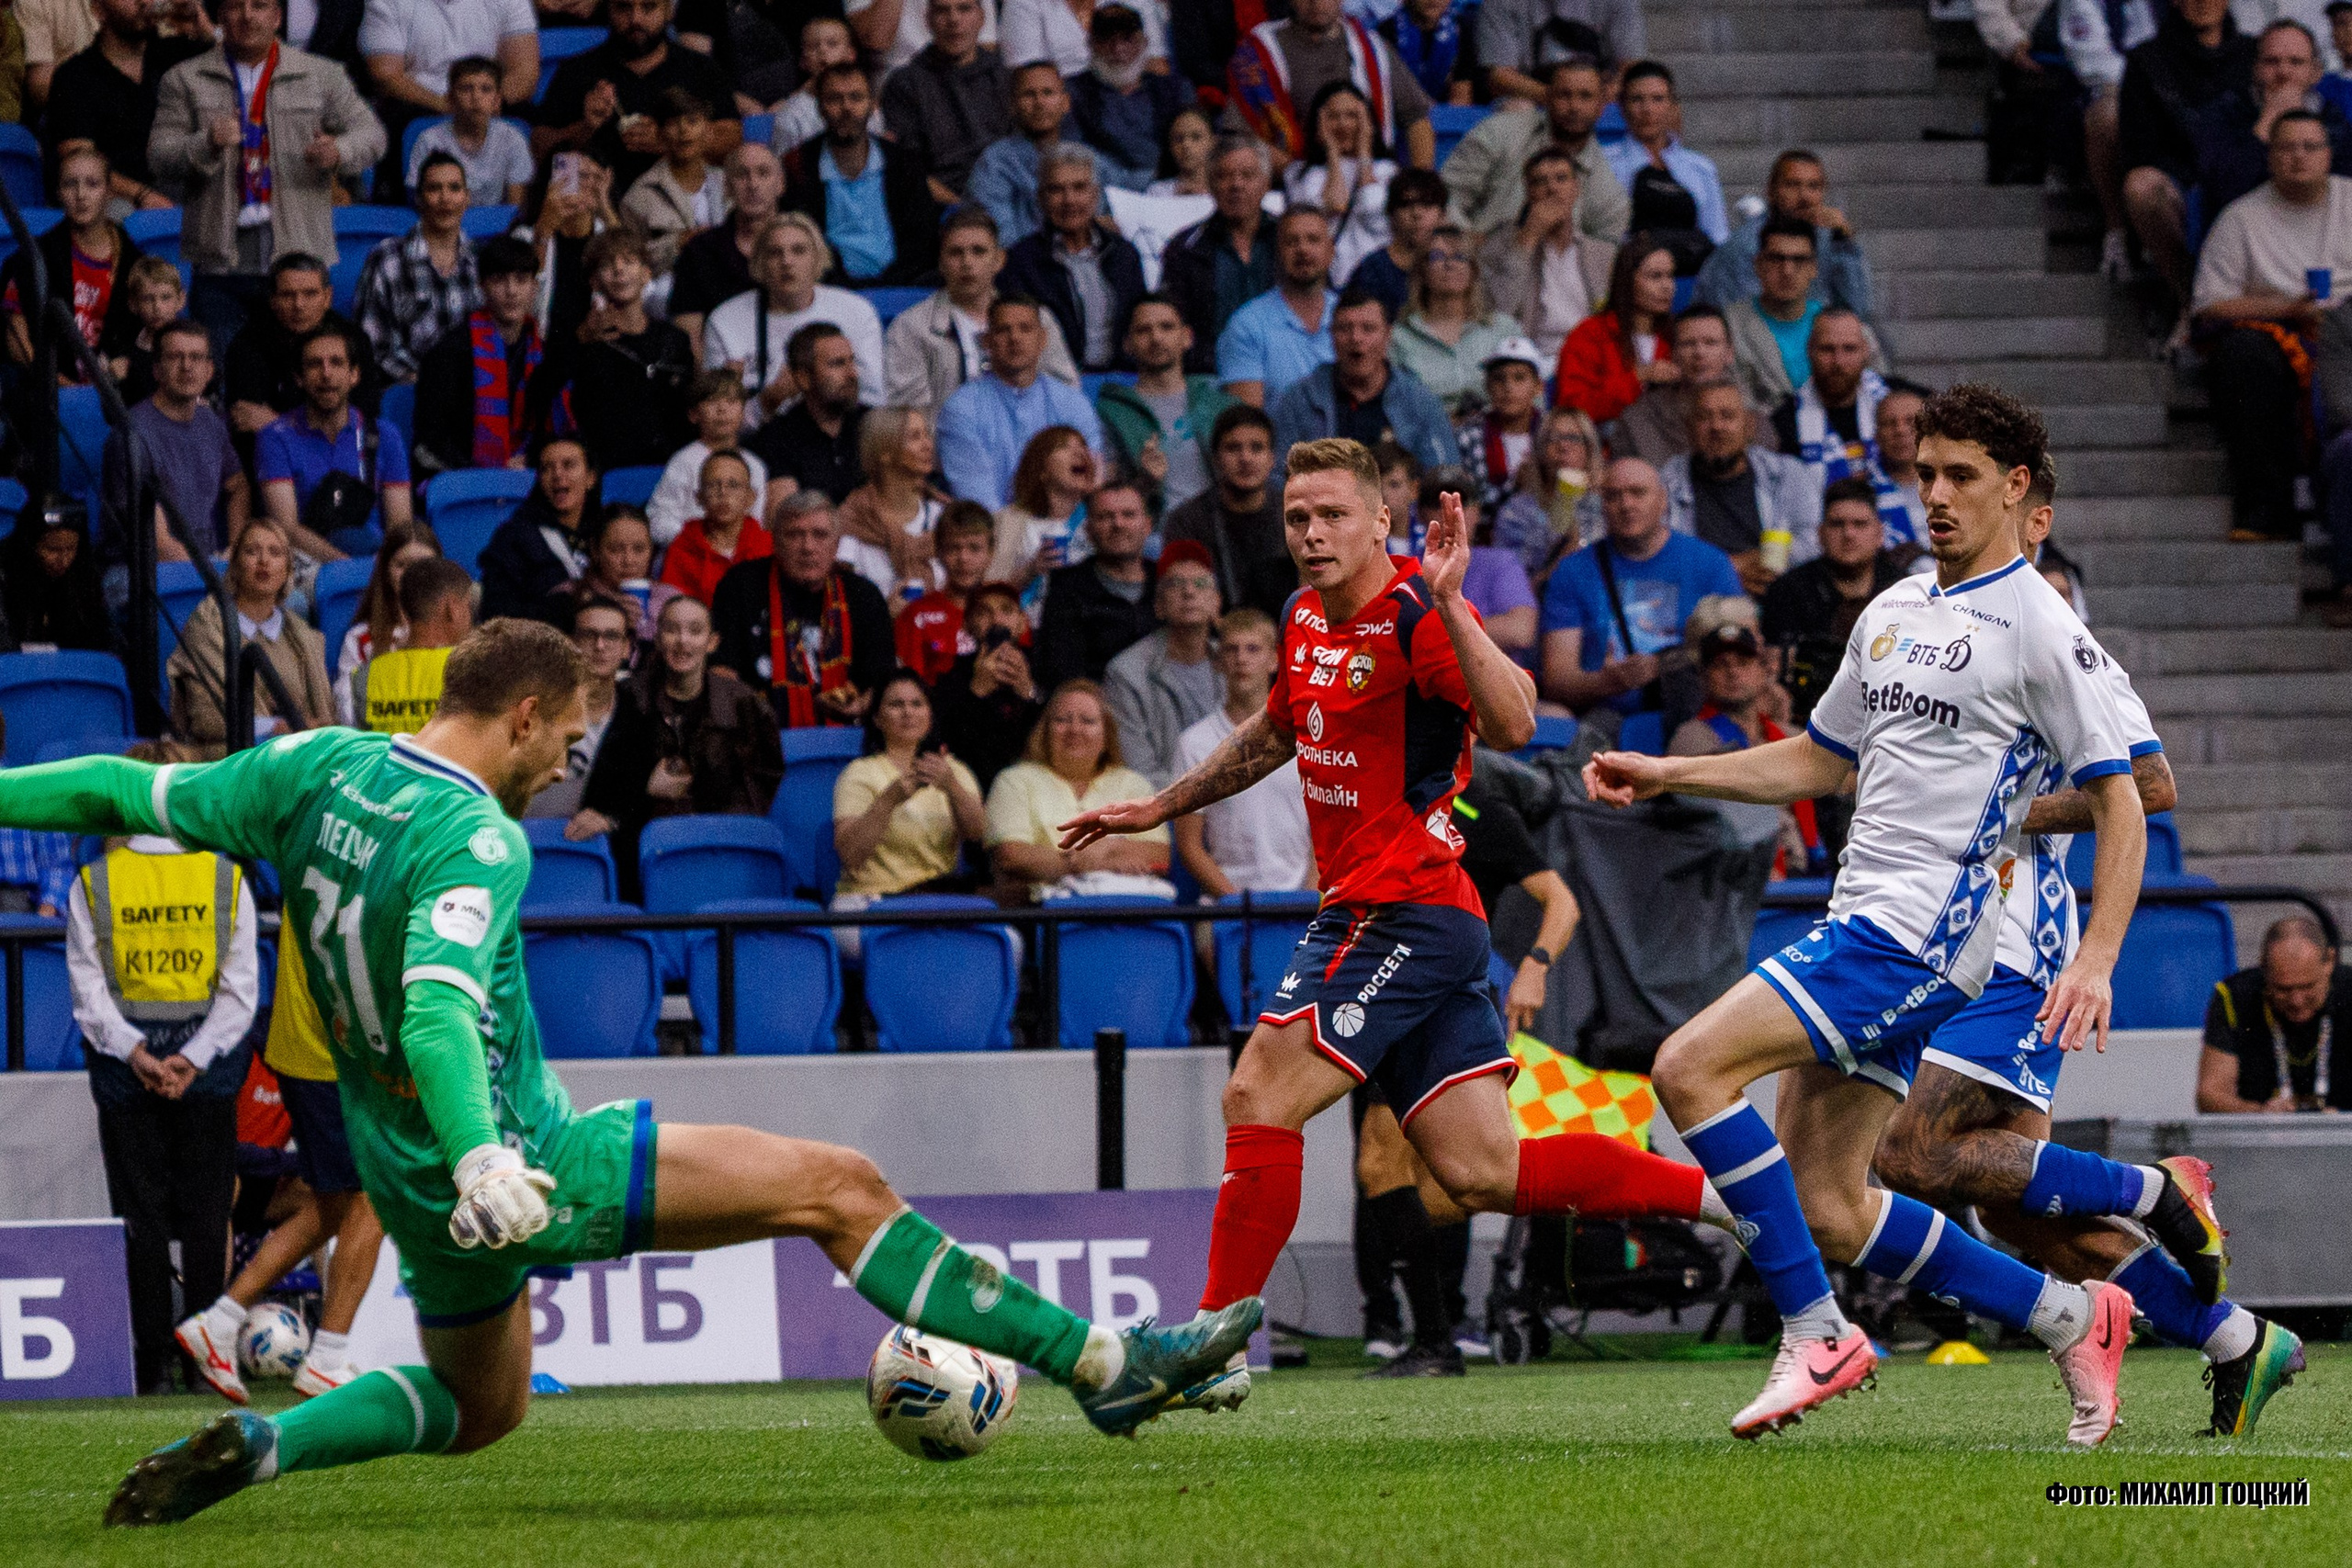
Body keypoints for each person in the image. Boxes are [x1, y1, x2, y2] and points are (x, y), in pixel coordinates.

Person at [41, 626, 1257, 1522]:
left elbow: (111, 787)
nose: (568, 760)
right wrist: (483, 1152)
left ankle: (265, 1447)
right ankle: (1105, 1366)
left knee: (482, 1409)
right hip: (513, 1157)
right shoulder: (472, 834)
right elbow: (437, 1011)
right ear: (522, 713)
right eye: (568, 736)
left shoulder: (312, 766)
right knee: (839, 1184)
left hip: (406, 1173)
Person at [1061, 439, 1740, 1420]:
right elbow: (1275, 733)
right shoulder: (1302, 615)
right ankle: (1722, 1202)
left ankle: (1212, 1338)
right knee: (1482, 1171)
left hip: (1402, 912)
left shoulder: (1416, 613)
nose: (1310, 534)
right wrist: (1155, 807)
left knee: (1258, 1088)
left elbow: (1510, 724)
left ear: (1380, 522)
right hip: (1409, 918)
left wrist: (1453, 600)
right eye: (1297, 517)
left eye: (1331, 514)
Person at [1581, 383, 2154, 1446]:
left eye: (1961, 478)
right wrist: (1671, 773)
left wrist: (2100, 954)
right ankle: (2075, 1316)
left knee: (1687, 1067)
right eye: (1924, 474)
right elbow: (1818, 760)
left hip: (1920, 933)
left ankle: (1815, 1333)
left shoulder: (2040, 626)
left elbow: (2127, 800)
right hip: (1869, 915)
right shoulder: (1892, 609)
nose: (1934, 494)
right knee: (1831, 1203)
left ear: (2015, 490)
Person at [1864, 466, 2300, 1440]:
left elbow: (2151, 784)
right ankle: (2236, 1341)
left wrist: (2011, 813)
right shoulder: (1943, 633)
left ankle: (2156, 1187)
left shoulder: (2061, 639)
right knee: (2020, 1215)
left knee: (1910, 1152)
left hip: (2014, 945)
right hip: (1945, 935)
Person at [66, 799, 259, 1395]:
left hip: (128, 1074)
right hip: (208, 1073)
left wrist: (138, 1053)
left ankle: (148, 1365)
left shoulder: (94, 882)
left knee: (140, 1219)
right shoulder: (226, 879)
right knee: (208, 1216)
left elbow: (87, 989)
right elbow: (241, 989)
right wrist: (192, 1057)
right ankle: (204, 1363)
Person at [173, 941, 385, 1404]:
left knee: (334, 1204)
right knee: (375, 1196)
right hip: (327, 1047)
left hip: (319, 1044)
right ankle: (326, 1357)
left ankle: (220, 1322)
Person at [149, 0, 387, 354]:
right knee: (222, 378)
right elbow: (159, 156)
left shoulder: (321, 75)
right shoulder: (184, 78)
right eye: (234, 6)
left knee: (301, 374)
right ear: (220, 15)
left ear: (277, 16)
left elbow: (373, 136)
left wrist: (339, 150)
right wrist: (206, 143)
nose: (247, 15)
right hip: (220, 262)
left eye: (259, 6)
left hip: (298, 255)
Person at [2196, 108, 2352, 540]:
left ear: (2328, 154)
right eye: (2286, 147)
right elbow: (2210, 305)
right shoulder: (2241, 218)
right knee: (2244, 357)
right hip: (2280, 333)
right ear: (2269, 157)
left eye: (2310, 146)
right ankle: (2266, 508)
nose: (2298, 157)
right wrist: (2287, 309)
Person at [578, 593, 785, 892]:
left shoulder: (744, 704)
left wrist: (709, 830)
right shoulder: (629, 698)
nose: (683, 641)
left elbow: (762, 780)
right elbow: (608, 787)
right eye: (672, 630)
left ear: (712, 641)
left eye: (695, 631)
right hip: (641, 849)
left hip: (722, 846)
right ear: (658, 638)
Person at [1536, 455, 1745, 716]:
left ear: (1662, 500)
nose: (1626, 504)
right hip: (1602, 716)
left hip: (1693, 715)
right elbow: (1557, 680)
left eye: (1638, 493)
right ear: (1602, 506)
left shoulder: (1710, 564)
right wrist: (1607, 682)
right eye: (1613, 496)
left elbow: (1741, 651)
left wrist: (1666, 667)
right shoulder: (1572, 571)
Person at [2120, 0, 2258, 342]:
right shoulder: (2147, 61)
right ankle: (2191, 301)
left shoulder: (2256, 54)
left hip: (2249, 181)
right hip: (2185, 183)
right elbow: (2140, 149)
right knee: (2141, 187)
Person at [711, 491, 898, 727]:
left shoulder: (863, 595)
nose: (808, 547)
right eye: (794, 534)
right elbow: (721, 671)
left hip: (848, 738)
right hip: (758, 737)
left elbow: (881, 680)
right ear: (775, 541)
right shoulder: (740, 585)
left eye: (820, 535)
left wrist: (860, 705)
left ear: (836, 543)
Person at [831, 671, 989, 947]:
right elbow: (850, 856)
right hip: (869, 901)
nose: (908, 712)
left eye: (917, 704)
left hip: (937, 902)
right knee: (909, 946)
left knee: (1009, 944)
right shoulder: (858, 773)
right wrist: (888, 801)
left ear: (929, 715)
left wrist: (952, 787)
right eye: (896, 705)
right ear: (877, 719)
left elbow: (978, 834)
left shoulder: (954, 771)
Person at [1170, 606, 1313, 897]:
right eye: (1231, 649)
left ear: (1275, 660)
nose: (1241, 659)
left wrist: (1306, 900)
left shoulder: (1308, 734)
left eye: (1252, 649)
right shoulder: (1195, 743)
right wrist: (1238, 905)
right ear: (1218, 661)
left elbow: (1328, 832)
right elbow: (1189, 845)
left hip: (1303, 901)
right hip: (1226, 903)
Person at [985, 678, 1170, 901]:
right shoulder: (1014, 780)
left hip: (1124, 907)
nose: (1075, 730)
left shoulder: (1133, 784)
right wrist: (1079, 861)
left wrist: (1108, 847)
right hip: (1039, 912)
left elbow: (1160, 854)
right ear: (1045, 732)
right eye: (1062, 720)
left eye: (1088, 721)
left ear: (1106, 735)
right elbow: (1011, 855)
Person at [885, 209, 1082, 412]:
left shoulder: (1036, 318)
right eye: (955, 253)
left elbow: (1066, 396)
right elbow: (908, 416)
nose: (967, 263)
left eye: (978, 251)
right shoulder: (911, 328)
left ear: (999, 260)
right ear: (941, 263)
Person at [530, 0, 738, 194]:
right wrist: (585, 128)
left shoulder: (700, 70)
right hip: (596, 207)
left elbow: (733, 141)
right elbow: (540, 151)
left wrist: (671, 141)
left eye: (648, 7)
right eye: (623, 7)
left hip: (683, 204)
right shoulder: (578, 70)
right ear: (609, 10)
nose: (635, 18)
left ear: (668, 11)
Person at [101, 321, 254, 581]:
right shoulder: (132, 434)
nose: (187, 366)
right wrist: (222, 578)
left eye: (196, 357)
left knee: (294, 600)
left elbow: (238, 484)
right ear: (157, 370)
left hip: (204, 566)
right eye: (175, 357)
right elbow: (159, 544)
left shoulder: (211, 423)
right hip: (140, 575)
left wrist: (235, 550)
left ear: (209, 370)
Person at [168, 518, 338, 750]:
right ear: (235, 567)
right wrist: (275, 727)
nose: (264, 561)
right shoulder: (207, 624)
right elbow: (207, 717)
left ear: (288, 569)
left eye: (275, 553)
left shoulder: (301, 635)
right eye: (251, 552)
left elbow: (321, 717)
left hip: (297, 754)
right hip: (227, 756)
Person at [1759, 476, 1915, 726]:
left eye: (1860, 524)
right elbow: (1774, 668)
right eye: (1837, 524)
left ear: (1879, 533)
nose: (1849, 534)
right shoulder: (1788, 590)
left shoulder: (1905, 591)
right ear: (1820, 534)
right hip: (1806, 717)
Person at [702, 214, 887, 423]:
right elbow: (714, 424)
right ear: (759, 263)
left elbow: (875, 401)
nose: (787, 262)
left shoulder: (857, 311)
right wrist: (769, 400)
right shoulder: (725, 321)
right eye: (774, 253)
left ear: (818, 258)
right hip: (761, 443)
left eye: (798, 251)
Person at [255, 326, 414, 558]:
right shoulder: (275, 437)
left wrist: (381, 571)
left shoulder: (385, 435)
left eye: (337, 363)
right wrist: (349, 570)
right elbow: (286, 529)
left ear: (354, 375)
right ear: (299, 378)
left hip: (376, 560)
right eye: (314, 364)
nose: (326, 373)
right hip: (307, 563)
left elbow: (399, 525)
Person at [937, 296, 1108, 512]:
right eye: (1003, 330)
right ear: (986, 341)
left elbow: (1091, 481)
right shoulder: (961, 408)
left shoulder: (1072, 403)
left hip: (1070, 530)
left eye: (1026, 329)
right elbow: (977, 501)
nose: (1015, 338)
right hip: (997, 534)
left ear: (1043, 339)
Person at [777, 62, 940, 288]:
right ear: (820, 108)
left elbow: (921, 239)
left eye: (856, 98)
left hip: (903, 283)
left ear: (873, 105)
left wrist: (892, 283)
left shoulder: (904, 163)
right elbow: (802, 239)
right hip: (828, 288)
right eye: (835, 99)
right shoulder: (798, 165)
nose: (846, 108)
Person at [1224, 0, 1437, 171]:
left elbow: (1417, 118)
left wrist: (1421, 181)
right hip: (1289, 186)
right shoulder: (1258, 53)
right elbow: (1241, 137)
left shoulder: (1372, 47)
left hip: (1369, 174)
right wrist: (1300, 176)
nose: (1317, 3)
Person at [1270, 288, 1461, 478]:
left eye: (1368, 329)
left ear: (1388, 335)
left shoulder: (1419, 401)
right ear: (1331, 336)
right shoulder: (1300, 399)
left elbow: (1444, 477)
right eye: (1345, 329)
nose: (1356, 338)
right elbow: (1278, 475)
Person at [42, 0, 209, 214]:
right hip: (119, 201)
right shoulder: (74, 77)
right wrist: (142, 195)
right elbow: (79, 160)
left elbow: (236, 70)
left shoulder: (175, 56)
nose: (143, 2)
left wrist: (203, 27)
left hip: (181, 186)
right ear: (98, 10)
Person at [1661, 378, 1823, 598]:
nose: (1717, 427)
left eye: (1727, 416)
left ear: (1749, 426)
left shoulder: (1786, 473)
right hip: (1698, 601)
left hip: (1775, 594)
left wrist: (1758, 561)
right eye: (1704, 417)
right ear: (1689, 428)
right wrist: (1725, 570)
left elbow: (1814, 539)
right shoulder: (1666, 482)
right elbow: (1657, 552)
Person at [412, 236, 557, 476]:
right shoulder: (449, 352)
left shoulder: (547, 355)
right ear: (482, 286)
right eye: (500, 280)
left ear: (534, 288)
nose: (511, 291)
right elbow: (431, 440)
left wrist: (530, 460)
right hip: (465, 479)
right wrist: (487, 474)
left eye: (521, 281)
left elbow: (557, 430)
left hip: (533, 476)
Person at [1444, 57, 1630, 245]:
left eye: (1585, 96)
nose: (1574, 106)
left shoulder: (1608, 190)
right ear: (1547, 97)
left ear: (1602, 106)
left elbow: (1606, 254)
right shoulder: (1499, 132)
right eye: (1564, 95)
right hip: (1479, 263)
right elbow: (1448, 196)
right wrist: (1466, 247)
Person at [559, 228, 699, 473]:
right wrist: (578, 343)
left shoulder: (674, 340)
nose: (619, 270)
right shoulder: (582, 342)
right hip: (606, 471)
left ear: (646, 274)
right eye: (607, 264)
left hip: (670, 469)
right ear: (594, 280)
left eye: (629, 261)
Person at [224, 254, 383, 468]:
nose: (298, 305)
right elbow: (247, 422)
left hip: (345, 459)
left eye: (310, 294)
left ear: (328, 297)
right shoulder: (248, 345)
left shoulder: (353, 340)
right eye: (288, 295)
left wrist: (279, 424)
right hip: (276, 464)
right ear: (272, 300)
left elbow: (364, 419)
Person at [1002, 147, 1150, 375]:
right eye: (1056, 190)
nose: (1069, 200)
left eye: (1079, 188)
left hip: (1122, 379)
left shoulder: (1124, 255)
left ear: (1095, 195)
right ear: (1041, 198)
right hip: (1053, 381)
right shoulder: (1022, 261)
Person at [2, 145, 141, 382]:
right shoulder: (34, 258)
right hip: (49, 398)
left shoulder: (133, 259)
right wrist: (62, 386)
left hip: (117, 397)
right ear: (58, 192)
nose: (81, 195)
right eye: (69, 184)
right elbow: (17, 343)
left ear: (109, 192)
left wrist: (127, 365)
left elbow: (147, 334)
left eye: (92, 184)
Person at [1769, 310, 1911, 543]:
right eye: (1827, 350)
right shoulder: (1784, 422)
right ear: (1810, 351)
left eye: (1849, 349)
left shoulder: (1902, 401)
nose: (1838, 362)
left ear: (1866, 351)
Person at [1475, 145, 1618, 367]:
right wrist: (1527, 239)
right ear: (1528, 192)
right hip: (1529, 362)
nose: (1552, 188)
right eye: (1540, 182)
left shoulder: (1603, 254)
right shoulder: (1500, 247)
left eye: (1561, 179)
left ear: (1575, 188)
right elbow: (1497, 314)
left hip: (1591, 362)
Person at [1102, 541, 1227, 789]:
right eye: (1176, 584)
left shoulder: (1237, 660)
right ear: (1158, 606)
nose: (1189, 592)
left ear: (1216, 604)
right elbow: (1139, 774)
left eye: (1201, 584)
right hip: (1165, 808)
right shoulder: (1126, 673)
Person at [1695, 151, 1874, 320]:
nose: (1805, 197)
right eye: (1792, 185)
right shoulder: (1744, 246)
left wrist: (1842, 240)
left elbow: (1858, 310)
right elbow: (1738, 322)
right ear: (1771, 191)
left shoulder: (1832, 239)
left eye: (1814, 186)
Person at [354, 153, 483, 386]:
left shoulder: (480, 260)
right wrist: (426, 382)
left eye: (454, 188)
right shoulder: (387, 258)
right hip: (410, 389)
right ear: (419, 199)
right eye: (434, 189)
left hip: (474, 388)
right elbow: (373, 344)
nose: (445, 198)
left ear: (466, 198)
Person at [1098, 295, 1233, 517]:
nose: (1156, 338)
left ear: (1187, 337)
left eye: (1167, 327)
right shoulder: (1112, 412)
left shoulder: (1220, 405)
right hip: (1152, 537)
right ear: (1127, 344)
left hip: (1218, 532)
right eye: (1143, 330)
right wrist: (1144, 482)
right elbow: (1105, 505)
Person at [2199, 914, 2350, 1111]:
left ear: (2329, 962)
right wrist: (2261, 1114)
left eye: (2307, 987)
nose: (2296, 1001)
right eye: (2283, 989)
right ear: (2264, 969)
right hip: (2261, 1135)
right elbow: (2209, 1096)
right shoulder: (2234, 997)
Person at [1162, 404, 1295, 618]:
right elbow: (1180, 595)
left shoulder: (1296, 516)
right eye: (1233, 448)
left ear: (1272, 458)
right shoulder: (1186, 521)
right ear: (1215, 458)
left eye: (1256, 448)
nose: (1245, 458)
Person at [1161, 136, 1280, 374]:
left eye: (1247, 175)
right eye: (1224, 176)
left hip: (1281, 372)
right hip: (1211, 379)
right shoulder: (1186, 247)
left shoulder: (1289, 239)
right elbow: (1174, 324)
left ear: (1266, 183)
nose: (1236, 185)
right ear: (1210, 185)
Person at [878, 0, 1015, 202]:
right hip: (942, 206)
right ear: (928, 19)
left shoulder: (1006, 76)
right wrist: (961, 209)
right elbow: (909, 169)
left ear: (981, 18)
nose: (954, 20)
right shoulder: (905, 84)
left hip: (1009, 197)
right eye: (943, 11)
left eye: (964, 8)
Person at [1604, 61, 1729, 276]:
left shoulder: (1700, 167)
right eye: (1637, 99)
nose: (1648, 110)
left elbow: (1718, 238)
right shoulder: (1604, 162)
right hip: (1625, 277)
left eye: (1658, 99)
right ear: (1622, 106)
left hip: (1693, 278)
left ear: (1672, 106)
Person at [1389, 225, 1525, 416]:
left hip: (1493, 434)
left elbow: (1531, 397)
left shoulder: (1502, 329)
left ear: (1473, 272)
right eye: (1437, 256)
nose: (1450, 264)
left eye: (1460, 257)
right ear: (1422, 271)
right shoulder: (1399, 336)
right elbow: (1393, 405)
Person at [1036, 479, 1161, 687]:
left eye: (1128, 515)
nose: (1118, 524)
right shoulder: (1067, 588)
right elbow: (1064, 675)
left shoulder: (1168, 581)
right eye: (1105, 517)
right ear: (1088, 531)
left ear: (1147, 526)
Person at [668, 143, 786, 360]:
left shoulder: (806, 246)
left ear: (781, 184)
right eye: (742, 174)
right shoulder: (699, 251)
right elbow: (688, 335)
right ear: (727, 187)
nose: (753, 184)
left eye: (763, 173)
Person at [1217, 206, 1340, 409]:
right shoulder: (1247, 325)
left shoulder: (1351, 320)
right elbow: (1248, 423)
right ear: (1278, 253)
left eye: (1313, 240)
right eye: (1292, 242)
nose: (1303, 249)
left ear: (1331, 251)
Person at [1067, 4, 1196, 191]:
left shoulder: (1175, 90)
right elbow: (1075, 156)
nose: (1118, 49)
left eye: (1127, 39)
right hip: (1102, 194)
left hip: (1175, 190)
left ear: (1144, 42)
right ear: (1091, 44)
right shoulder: (1074, 92)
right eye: (1107, 39)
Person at [525, 598, 633, 821]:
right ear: (571, 643)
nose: (600, 646)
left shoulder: (635, 719)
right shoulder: (535, 708)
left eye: (611, 636)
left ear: (626, 648)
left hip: (584, 846)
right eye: (588, 635)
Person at [1553, 234, 1679, 426]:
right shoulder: (1590, 335)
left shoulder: (1678, 336)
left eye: (1670, 276)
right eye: (1655, 276)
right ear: (1627, 280)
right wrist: (1638, 377)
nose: (1667, 286)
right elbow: (1572, 408)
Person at [1284, 81, 1400, 288]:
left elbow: (1371, 210)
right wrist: (1332, 154)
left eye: (1352, 116)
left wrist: (1365, 150)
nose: (1343, 124)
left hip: (1376, 281)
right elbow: (1337, 204)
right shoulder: (1299, 174)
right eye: (1333, 116)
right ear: (1319, 123)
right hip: (1324, 283)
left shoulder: (1388, 172)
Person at [969, 62, 1098, 248]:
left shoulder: (1085, 157)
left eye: (1048, 93)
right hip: (1023, 267)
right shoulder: (995, 162)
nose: (1039, 103)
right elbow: (998, 236)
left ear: (1065, 103)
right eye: (1029, 94)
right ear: (1012, 105)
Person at [933, 581, 1046, 789]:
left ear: (1022, 622)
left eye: (1006, 610)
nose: (997, 620)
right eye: (984, 612)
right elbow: (947, 744)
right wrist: (976, 693)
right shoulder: (951, 677)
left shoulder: (1044, 671)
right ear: (967, 624)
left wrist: (1028, 693)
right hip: (974, 787)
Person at [744, 322, 871, 510]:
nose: (852, 373)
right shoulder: (778, 439)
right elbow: (787, 519)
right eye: (837, 364)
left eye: (852, 361)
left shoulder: (873, 424)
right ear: (804, 378)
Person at [347, 557, 476, 734]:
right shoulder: (470, 669)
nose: (470, 618)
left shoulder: (366, 676)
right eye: (468, 606)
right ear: (452, 609)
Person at [834, 406, 949, 601]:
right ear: (884, 453)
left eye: (926, 435)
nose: (928, 445)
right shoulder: (853, 522)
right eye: (915, 437)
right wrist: (885, 615)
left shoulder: (944, 519)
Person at [479, 436, 599, 621]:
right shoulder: (514, 537)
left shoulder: (605, 530)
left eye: (568, 465)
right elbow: (497, 615)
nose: (557, 474)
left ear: (591, 477)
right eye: (546, 468)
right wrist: (561, 608)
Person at [648, 372, 770, 545]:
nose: (722, 409)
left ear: (743, 412)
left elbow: (757, 519)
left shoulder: (755, 465)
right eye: (712, 401)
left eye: (731, 401)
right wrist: (699, 542)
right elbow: (659, 519)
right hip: (691, 552)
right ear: (693, 414)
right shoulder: (683, 462)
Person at [619, 86, 729, 277]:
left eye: (693, 121)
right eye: (673, 123)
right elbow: (631, 264)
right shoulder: (639, 196)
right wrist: (679, 243)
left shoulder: (731, 184)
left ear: (709, 131)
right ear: (660, 135)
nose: (684, 130)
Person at [1725, 218, 1833, 411]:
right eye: (1776, 259)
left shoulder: (1840, 326)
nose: (1787, 271)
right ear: (1758, 265)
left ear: (1813, 268)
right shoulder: (1728, 327)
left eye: (1799, 260)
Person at [1488, 405, 1601, 584]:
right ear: (1540, 451)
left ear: (1589, 450)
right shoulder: (1516, 514)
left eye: (1573, 437)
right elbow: (1511, 590)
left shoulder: (1608, 505)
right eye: (1552, 439)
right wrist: (1559, 562)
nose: (1563, 446)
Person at [989, 424, 1099, 603]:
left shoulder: (1098, 518)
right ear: (1042, 470)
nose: (1080, 453)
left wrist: (1097, 497)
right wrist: (1031, 570)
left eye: (1082, 446)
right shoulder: (1008, 521)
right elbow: (989, 594)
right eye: (1064, 447)